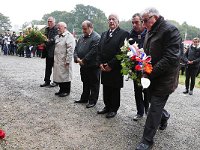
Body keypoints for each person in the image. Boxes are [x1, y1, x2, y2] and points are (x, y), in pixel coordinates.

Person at [135, 8, 182, 150]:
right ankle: (165, 116)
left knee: (154, 107)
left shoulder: (170, 30)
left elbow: (171, 58)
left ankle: (147, 140)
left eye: (144, 21)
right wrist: (142, 63)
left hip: (165, 78)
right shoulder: (150, 29)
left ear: (154, 17)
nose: (143, 25)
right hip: (151, 74)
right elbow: (148, 52)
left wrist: (150, 72)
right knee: (151, 100)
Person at [97, 14, 129, 118]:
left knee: (114, 89)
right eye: (109, 19)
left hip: (115, 67)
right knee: (106, 87)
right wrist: (100, 63)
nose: (111, 21)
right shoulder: (103, 34)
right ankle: (107, 106)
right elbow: (99, 50)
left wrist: (110, 65)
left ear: (118, 22)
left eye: (113, 19)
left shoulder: (124, 34)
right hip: (104, 67)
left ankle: (113, 109)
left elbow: (122, 52)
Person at [74, 20, 101, 108]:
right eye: (82, 29)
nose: (83, 31)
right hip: (83, 65)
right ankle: (84, 98)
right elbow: (76, 48)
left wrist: (84, 60)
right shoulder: (81, 37)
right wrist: (76, 58)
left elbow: (93, 51)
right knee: (85, 82)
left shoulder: (96, 37)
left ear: (90, 28)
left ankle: (92, 100)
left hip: (92, 65)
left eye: (85, 29)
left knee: (94, 83)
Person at [129, 13, 150, 121]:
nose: (134, 25)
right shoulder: (130, 35)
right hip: (135, 68)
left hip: (146, 68)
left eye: (136, 22)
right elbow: (127, 49)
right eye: (132, 22)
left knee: (146, 90)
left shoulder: (148, 33)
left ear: (142, 22)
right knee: (137, 90)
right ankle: (139, 112)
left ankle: (148, 110)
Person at [53, 22, 76, 97]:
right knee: (59, 75)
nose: (58, 28)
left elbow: (70, 49)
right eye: (58, 27)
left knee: (66, 76)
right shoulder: (58, 37)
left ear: (65, 27)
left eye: (60, 27)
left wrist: (68, 60)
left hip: (64, 60)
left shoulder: (69, 36)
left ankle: (66, 91)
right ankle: (61, 89)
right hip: (58, 60)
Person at [40, 17, 58, 87]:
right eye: (48, 21)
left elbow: (54, 39)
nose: (49, 23)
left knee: (55, 67)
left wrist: (46, 42)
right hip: (47, 51)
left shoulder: (56, 29)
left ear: (54, 22)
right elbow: (43, 37)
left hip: (54, 51)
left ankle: (56, 82)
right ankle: (47, 81)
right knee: (48, 67)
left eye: (51, 21)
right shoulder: (46, 29)